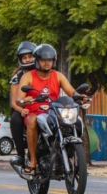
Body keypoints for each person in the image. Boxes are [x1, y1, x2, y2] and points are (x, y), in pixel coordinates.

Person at [16, 44, 84, 175]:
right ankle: (33, 162)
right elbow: (19, 98)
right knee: (32, 120)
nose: (47, 63)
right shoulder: (28, 76)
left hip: (53, 111)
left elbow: (71, 91)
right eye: (43, 60)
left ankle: (75, 159)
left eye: (50, 60)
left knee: (76, 120)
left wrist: (81, 97)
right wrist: (25, 100)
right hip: (34, 111)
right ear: (37, 61)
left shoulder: (58, 76)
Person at [9, 41, 36, 166]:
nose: (28, 59)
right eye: (24, 58)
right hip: (23, 108)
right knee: (15, 119)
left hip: (41, 107)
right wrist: (22, 110)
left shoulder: (45, 72)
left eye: (30, 56)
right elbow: (14, 103)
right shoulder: (17, 77)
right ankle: (20, 153)